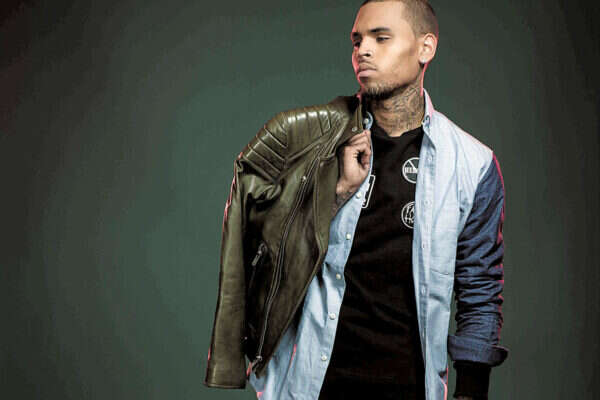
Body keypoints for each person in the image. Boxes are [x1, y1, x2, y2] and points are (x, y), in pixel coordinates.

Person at [204, 0, 508, 399]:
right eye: (357, 40)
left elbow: (479, 290)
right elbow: (261, 261)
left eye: (381, 38)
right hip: (309, 387)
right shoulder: (311, 142)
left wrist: (470, 392)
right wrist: (335, 196)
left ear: (425, 48)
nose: (363, 50)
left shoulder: (472, 165)